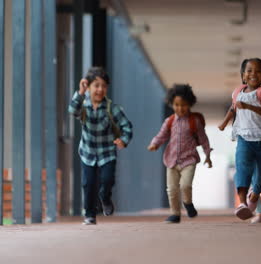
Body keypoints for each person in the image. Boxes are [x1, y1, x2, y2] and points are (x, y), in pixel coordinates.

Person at [68, 67, 133, 225]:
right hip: (88, 152)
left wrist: (123, 140)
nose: (100, 89)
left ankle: (105, 197)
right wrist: (80, 92)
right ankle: (90, 215)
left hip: (107, 153)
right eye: (96, 85)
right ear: (89, 87)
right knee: (88, 184)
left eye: (104, 86)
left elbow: (127, 126)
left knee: (107, 179)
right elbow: (72, 110)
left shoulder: (112, 108)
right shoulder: (83, 105)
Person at [219, 58, 261, 220]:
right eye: (249, 70)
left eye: (258, 71)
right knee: (243, 167)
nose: (253, 74)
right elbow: (233, 108)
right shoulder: (237, 92)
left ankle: (254, 196)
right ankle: (242, 203)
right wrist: (224, 123)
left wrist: (247, 106)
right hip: (244, 137)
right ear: (243, 76)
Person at [147, 84, 213, 224]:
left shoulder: (194, 121)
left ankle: (188, 203)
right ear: (172, 104)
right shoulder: (169, 121)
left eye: (183, 105)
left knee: (185, 185)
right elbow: (162, 135)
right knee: (171, 189)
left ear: (189, 104)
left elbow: (203, 139)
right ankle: (175, 214)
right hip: (171, 160)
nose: (180, 108)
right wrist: (155, 144)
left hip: (189, 160)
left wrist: (207, 155)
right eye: (176, 105)